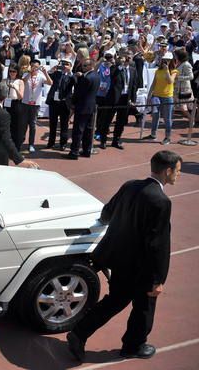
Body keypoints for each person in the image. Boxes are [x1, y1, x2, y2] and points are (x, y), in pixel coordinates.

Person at [67, 151, 182, 362]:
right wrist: (158, 280)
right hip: (142, 267)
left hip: (119, 259)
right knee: (144, 307)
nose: (178, 175)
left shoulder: (130, 185)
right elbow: (158, 244)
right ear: (167, 171)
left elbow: (108, 212)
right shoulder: (161, 201)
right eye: (177, 171)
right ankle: (133, 346)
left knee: (115, 301)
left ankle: (78, 333)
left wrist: (102, 221)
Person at [65, 59, 100, 160]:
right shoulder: (96, 76)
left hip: (82, 107)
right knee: (88, 130)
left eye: (84, 66)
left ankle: (74, 152)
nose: (82, 68)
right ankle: (86, 150)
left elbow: (79, 92)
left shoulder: (86, 78)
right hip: (91, 107)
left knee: (78, 130)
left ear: (90, 66)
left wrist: (73, 103)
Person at [105, 53, 139, 150]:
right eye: (126, 57)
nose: (128, 59)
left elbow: (134, 86)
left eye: (130, 57)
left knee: (121, 121)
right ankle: (103, 139)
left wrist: (133, 99)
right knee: (108, 119)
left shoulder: (133, 70)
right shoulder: (115, 68)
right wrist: (121, 65)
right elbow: (112, 76)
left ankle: (116, 140)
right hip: (114, 98)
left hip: (125, 98)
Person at [19, 59, 52, 153]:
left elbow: (50, 83)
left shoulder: (41, 76)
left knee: (33, 125)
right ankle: (21, 141)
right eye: (33, 66)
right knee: (23, 124)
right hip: (25, 102)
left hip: (35, 104)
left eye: (36, 67)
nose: (35, 68)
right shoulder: (26, 75)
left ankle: (31, 144)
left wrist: (45, 73)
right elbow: (22, 81)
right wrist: (30, 73)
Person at [144, 52, 177, 145]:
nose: (165, 61)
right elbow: (154, 83)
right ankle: (153, 134)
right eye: (164, 60)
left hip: (167, 97)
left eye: (167, 60)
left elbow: (170, 81)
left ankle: (167, 137)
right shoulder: (158, 70)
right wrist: (149, 94)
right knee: (155, 115)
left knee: (167, 118)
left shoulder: (174, 71)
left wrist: (167, 70)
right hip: (156, 96)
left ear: (171, 61)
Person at [45, 59, 74, 151]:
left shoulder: (71, 76)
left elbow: (75, 81)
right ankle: (51, 142)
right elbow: (48, 76)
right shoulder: (57, 73)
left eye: (67, 64)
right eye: (63, 64)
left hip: (64, 103)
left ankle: (63, 144)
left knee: (64, 125)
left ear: (70, 66)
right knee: (52, 124)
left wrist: (69, 71)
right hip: (54, 102)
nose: (64, 66)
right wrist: (53, 69)